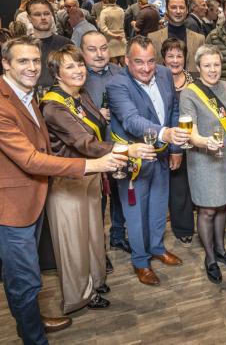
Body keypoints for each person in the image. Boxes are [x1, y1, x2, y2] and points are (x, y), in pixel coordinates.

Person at [0, 36, 126, 344]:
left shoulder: (26, 95)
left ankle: (31, 321)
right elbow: (30, 159)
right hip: (9, 206)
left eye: (34, 60)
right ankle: (34, 337)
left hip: (32, 195)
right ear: (5, 64)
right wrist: (93, 165)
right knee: (26, 280)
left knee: (20, 276)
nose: (32, 67)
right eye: (23, 61)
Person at [40, 45, 155, 314]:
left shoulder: (80, 95)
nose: (78, 70)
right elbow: (85, 143)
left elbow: (99, 130)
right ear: (56, 74)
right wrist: (127, 150)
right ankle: (79, 296)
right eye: (70, 66)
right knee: (73, 243)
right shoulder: (53, 106)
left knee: (92, 234)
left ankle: (95, 281)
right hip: (68, 180)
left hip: (91, 175)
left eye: (80, 64)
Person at [106, 36, 190, 286]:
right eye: (139, 62)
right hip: (135, 161)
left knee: (158, 206)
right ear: (126, 60)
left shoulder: (164, 73)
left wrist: (175, 148)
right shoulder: (117, 84)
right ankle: (140, 261)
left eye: (151, 61)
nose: (146, 68)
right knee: (136, 214)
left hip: (162, 155)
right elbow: (131, 120)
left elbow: (173, 110)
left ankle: (157, 248)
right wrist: (165, 133)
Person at [180, 45, 226, 284]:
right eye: (207, 65)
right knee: (207, 209)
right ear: (198, 67)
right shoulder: (190, 93)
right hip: (203, 159)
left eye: (216, 64)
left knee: (223, 205)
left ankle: (221, 249)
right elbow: (190, 131)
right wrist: (205, 142)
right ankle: (210, 258)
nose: (213, 69)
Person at [81, 31, 131, 255]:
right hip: (92, 151)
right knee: (97, 201)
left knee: (120, 195)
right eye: (92, 50)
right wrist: (95, 116)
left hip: (119, 146)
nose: (99, 54)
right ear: (82, 52)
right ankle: (98, 249)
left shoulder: (121, 73)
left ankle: (118, 236)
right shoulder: (77, 77)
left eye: (103, 48)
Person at [161, 38, 195, 246]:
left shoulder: (194, 81)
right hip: (169, 142)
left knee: (194, 183)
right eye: (170, 56)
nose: (175, 60)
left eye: (179, 56)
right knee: (178, 185)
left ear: (185, 58)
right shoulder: (158, 81)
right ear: (163, 59)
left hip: (194, 141)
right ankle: (183, 227)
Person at [26, 0, 73, 87]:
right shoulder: (23, 47)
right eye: (37, 14)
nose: (43, 18)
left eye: (47, 13)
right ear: (29, 18)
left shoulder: (66, 44)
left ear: (52, 15)